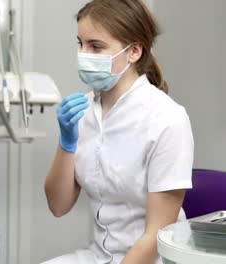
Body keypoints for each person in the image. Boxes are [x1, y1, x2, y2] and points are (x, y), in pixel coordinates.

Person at [44, 0, 194, 263]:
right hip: (98, 256)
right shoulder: (84, 113)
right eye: (80, 43)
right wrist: (66, 142)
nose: (83, 54)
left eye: (96, 46)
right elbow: (58, 206)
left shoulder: (167, 120)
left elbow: (157, 234)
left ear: (134, 51)